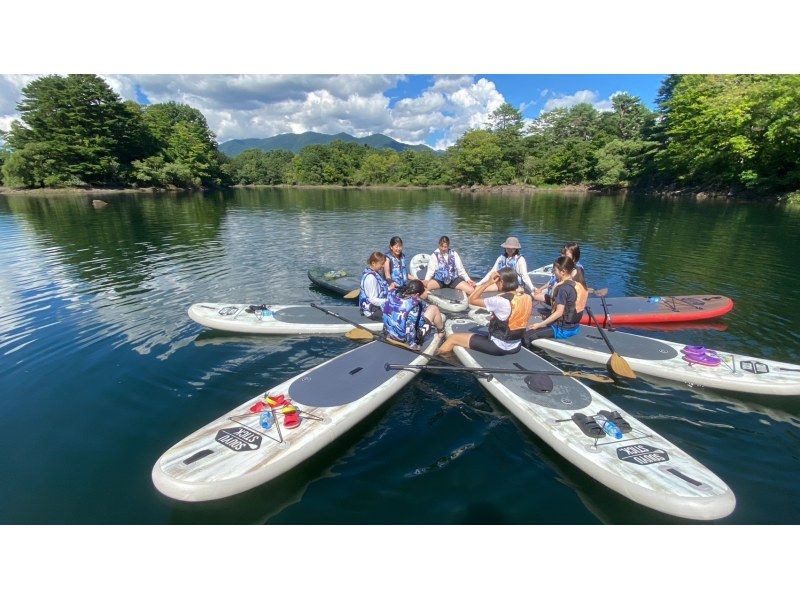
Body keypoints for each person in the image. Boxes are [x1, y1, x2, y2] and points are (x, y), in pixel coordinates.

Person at [439, 267, 532, 356]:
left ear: (502, 282)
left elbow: (471, 299)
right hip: (516, 345)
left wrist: (488, 282)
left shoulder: (500, 300)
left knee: (452, 338)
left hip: (499, 346)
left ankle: (439, 358)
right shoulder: (527, 297)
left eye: (497, 281)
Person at [524, 255, 587, 344]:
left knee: (526, 336)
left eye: (555, 270)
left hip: (562, 330)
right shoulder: (576, 284)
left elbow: (559, 312)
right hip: (575, 328)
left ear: (563, 272)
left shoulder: (563, 288)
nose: (553, 273)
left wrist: (540, 325)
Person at [382, 280, 444, 350]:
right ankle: (441, 334)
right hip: (402, 339)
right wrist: (413, 345)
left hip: (388, 332)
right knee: (434, 308)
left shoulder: (392, 293)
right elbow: (410, 327)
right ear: (417, 295)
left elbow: (383, 306)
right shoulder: (414, 306)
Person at [358, 251, 392, 320]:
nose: (383, 266)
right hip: (372, 311)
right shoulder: (371, 278)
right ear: (373, 263)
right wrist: (389, 301)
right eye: (381, 264)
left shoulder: (375, 273)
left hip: (377, 306)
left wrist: (389, 289)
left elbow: (380, 288)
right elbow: (373, 299)